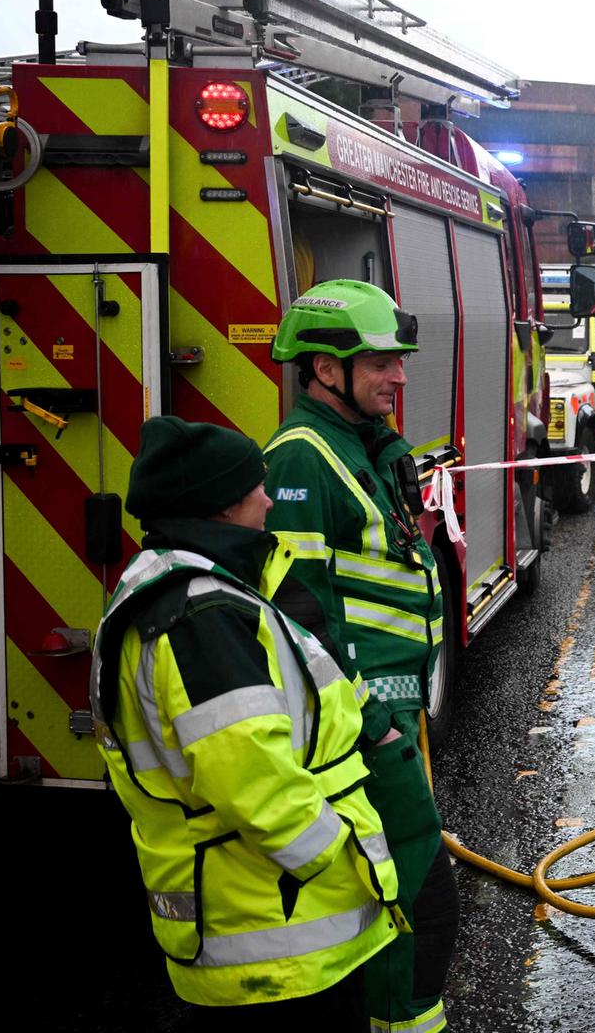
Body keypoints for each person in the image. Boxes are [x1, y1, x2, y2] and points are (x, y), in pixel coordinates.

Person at [90, 416, 404, 1026]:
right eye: (255, 487)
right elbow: (248, 776)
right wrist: (336, 859)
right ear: (221, 506)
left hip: (269, 917)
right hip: (278, 930)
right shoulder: (201, 616)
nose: (267, 499)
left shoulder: (184, 588)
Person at [264, 280, 457, 1033]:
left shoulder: (362, 445)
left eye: (398, 360)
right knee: (418, 898)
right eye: (380, 362)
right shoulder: (301, 461)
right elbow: (296, 616)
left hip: (394, 708)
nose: (400, 376)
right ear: (323, 369)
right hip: (366, 722)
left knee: (407, 891)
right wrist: (372, 720)